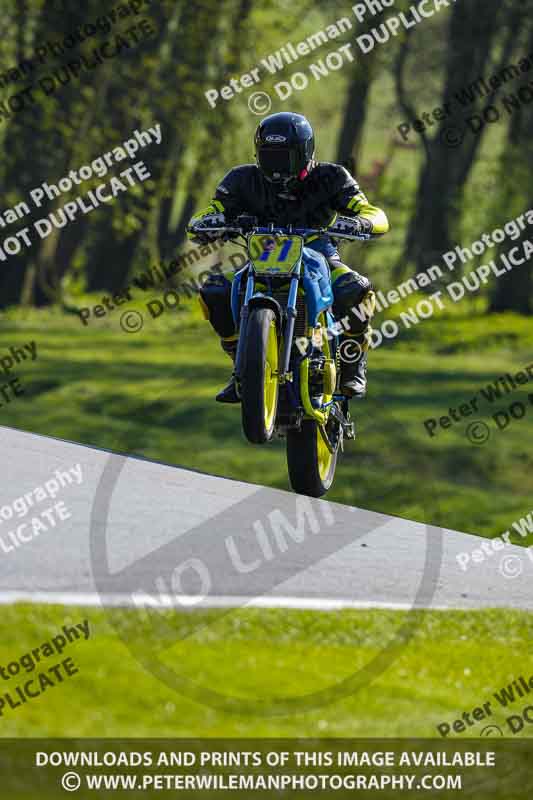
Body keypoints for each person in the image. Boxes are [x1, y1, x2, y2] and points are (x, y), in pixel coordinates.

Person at [188, 111, 389, 403]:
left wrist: (362, 222)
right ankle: (242, 369)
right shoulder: (241, 179)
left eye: (286, 157)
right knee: (214, 292)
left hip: (319, 254)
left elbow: (371, 211)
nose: (278, 167)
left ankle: (352, 366)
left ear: (305, 153)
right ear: (258, 154)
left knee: (356, 290)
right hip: (262, 256)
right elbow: (213, 209)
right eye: (271, 157)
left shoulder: (331, 176)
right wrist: (207, 222)